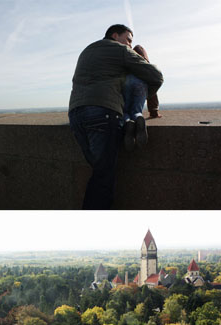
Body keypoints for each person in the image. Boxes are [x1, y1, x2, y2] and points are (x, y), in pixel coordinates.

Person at [69, 24, 163, 209]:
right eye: (128, 39)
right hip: (103, 113)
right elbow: (155, 76)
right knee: (103, 178)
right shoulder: (119, 50)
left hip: (76, 115)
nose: (129, 43)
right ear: (115, 35)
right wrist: (143, 97)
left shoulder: (87, 50)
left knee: (98, 171)